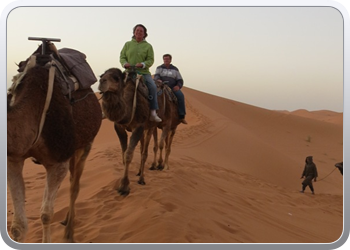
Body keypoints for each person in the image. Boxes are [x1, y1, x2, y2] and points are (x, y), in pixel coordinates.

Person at [120, 24, 162, 122]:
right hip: (128, 71)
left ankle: (153, 112)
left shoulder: (148, 46)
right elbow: (122, 56)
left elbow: (150, 60)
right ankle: (110, 109)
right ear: (134, 32)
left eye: (141, 31)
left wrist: (143, 64)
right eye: (137, 30)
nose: (139, 32)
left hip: (143, 72)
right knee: (114, 84)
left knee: (152, 87)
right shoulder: (127, 44)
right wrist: (125, 63)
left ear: (144, 34)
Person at [154, 54, 187, 124]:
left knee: (181, 96)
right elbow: (156, 76)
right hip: (161, 86)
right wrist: (158, 80)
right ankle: (151, 113)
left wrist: (178, 86)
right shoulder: (159, 68)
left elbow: (180, 80)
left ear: (170, 60)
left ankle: (181, 115)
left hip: (172, 87)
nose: (166, 60)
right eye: (165, 59)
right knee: (151, 95)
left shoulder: (175, 69)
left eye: (167, 59)